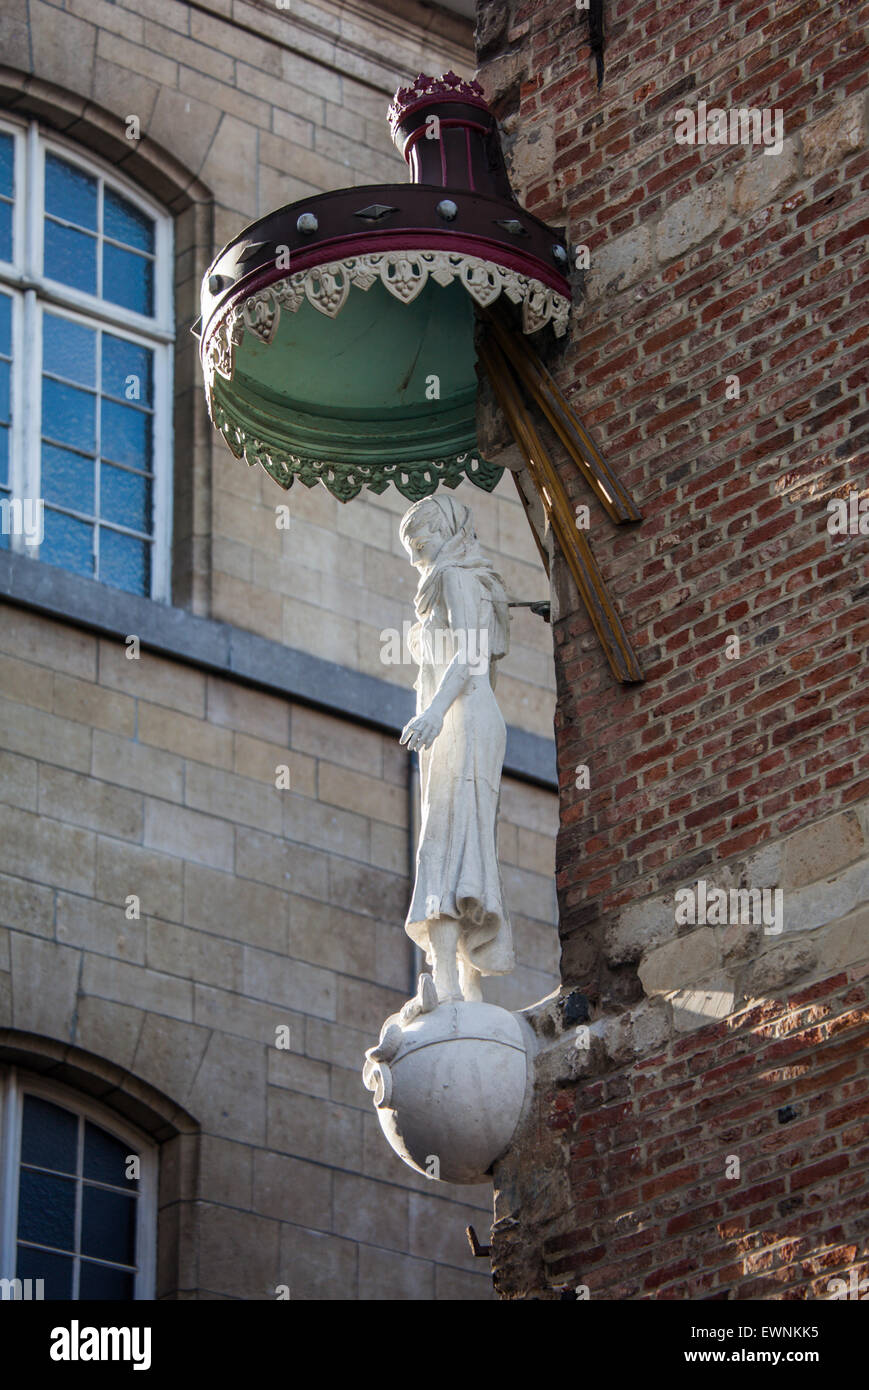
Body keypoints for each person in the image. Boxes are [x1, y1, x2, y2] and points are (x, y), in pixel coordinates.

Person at [399, 494, 515, 1002]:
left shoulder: (454, 577)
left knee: (446, 845)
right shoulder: (450, 580)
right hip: (459, 718)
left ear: (444, 530)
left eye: (420, 540)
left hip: (461, 717)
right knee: (457, 844)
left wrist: (431, 713)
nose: (414, 554)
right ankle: (463, 983)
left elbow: (468, 656)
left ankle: (451, 981)